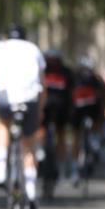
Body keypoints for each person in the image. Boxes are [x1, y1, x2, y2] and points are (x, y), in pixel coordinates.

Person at [0, 23, 46, 209]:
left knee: (3, 125)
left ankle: (0, 170)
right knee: (29, 143)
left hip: (5, 97)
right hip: (30, 98)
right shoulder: (34, 49)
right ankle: (32, 192)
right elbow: (44, 85)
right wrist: (40, 111)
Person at [69, 55, 105, 185]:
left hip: (77, 111)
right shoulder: (97, 79)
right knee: (94, 126)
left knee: (76, 137)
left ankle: (75, 170)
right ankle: (94, 141)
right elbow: (104, 97)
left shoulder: (74, 77)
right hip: (93, 111)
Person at [35, 49, 74, 179]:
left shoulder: (63, 72)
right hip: (50, 106)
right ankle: (41, 152)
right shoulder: (62, 71)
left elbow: (72, 91)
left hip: (58, 107)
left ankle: (59, 163)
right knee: (45, 130)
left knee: (59, 133)